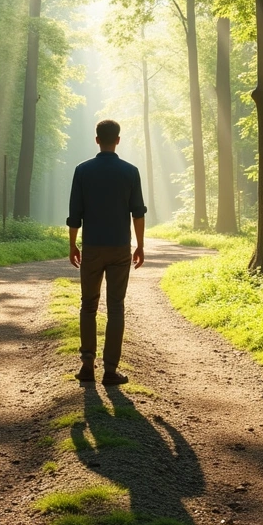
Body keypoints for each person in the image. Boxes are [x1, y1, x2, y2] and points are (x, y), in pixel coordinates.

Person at [67, 119, 146, 385]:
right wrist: (141, 245)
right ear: (118, 140)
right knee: (116, 307)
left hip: (91, 247)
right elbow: (138, 213)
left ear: (97, 139)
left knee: (88, 305)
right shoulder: (130, 171)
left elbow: (75, 213)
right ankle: (110, 370)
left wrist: (72, 244)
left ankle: (87, 365)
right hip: (119, 248)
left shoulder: (83, 170)